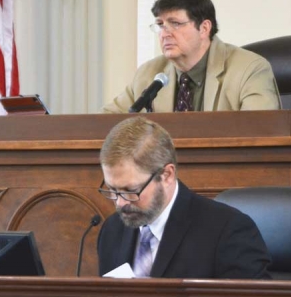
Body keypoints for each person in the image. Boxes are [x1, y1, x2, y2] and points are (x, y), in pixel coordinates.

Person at [97, 116, 271, 279]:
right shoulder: (113, 231)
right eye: (112, 190)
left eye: (131, 190)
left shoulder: (227, 231)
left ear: (167, 175)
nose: (120, 202)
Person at [102, 0, 281, 113]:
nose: (165, 33)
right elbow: (106, 123)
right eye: (160, 25)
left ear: (204, 28)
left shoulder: (249, 69)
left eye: (175, 23)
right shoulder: (149, 74)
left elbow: (261, 133)